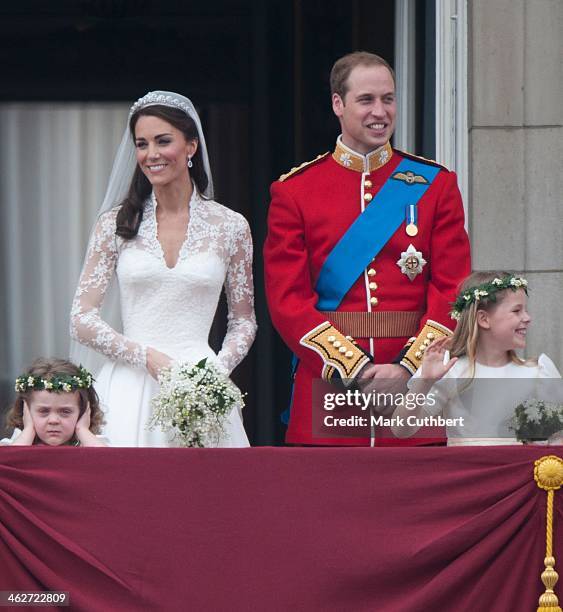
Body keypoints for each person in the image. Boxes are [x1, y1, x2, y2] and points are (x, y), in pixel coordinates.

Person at [264, 52, 471, 446]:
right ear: (338, 104)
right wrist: (356, 371)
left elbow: (452, 291)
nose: (381, 111)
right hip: (329, 391)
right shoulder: (295, 191)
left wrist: (408, 370)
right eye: (367, 100)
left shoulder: (435, 185)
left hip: (414, 395)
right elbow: (287, 301)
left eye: (388, 99)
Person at [70, 91, 257, 447]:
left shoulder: (231, 226)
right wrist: (145, 356)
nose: (151, 154)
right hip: (128, 385)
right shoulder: (115, 224)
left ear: (191, 147)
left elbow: (243, 321)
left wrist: (213, 373)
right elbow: (80, 319)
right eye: (142, 144)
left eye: (163, 141)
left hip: (202, 384)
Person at [391, 272, 562, 445]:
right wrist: (425, 382)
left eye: (525, 311)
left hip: (517, 471)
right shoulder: (453, 370)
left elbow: (556, 437)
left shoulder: (538, 372)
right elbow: (401, 429)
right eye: (517, 311)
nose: (527, 318)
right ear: (483, 319)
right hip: (467, 470)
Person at [1, 358, 107, 447]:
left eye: (65, 411)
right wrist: (29, 430)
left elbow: (110, 462)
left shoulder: (89, 442)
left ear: (83, 412)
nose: (53, 420)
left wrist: (82, 430)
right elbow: (10, 462)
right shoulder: (18, 442)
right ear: (26, 411)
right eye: (43, 411)